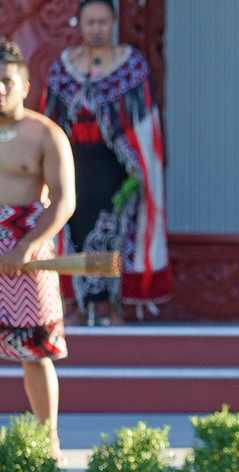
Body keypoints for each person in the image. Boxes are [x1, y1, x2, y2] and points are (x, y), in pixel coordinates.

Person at [41, 0, 170, 326]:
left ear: (112, 23)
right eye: (90, 22)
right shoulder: (63, 67)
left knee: (113, 234)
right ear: (79, 25)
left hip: (116, 168)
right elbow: (50, 120)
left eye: (102, 21)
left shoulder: (131, 66)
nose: (96, 28)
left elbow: (144, 122)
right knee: (74, 231)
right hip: (74, 166)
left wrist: (137, 169)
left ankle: (111, 306)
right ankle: (77, 305)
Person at [0, 40, 76, 460]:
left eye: (6, 81)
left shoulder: (46, 133)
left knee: (35, 351)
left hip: (29, 251)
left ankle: (48, 442)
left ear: (25, 85)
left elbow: (64, 201)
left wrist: (25, 247)